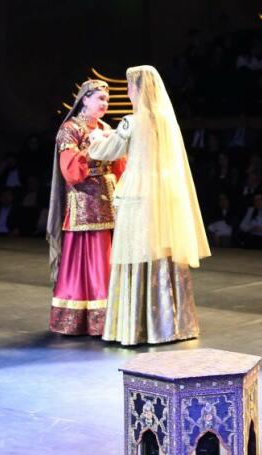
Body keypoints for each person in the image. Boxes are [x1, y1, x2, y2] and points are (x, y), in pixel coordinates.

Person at [88, 65, 210, 345]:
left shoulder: (132, 121)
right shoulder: (166, 121)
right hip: (164, 193)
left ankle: (138, 325)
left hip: (139, 194)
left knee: (137, 251)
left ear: (138, 89)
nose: (128, 91)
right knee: (162, 253)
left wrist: (95, 138)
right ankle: (171, 323)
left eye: (130, 86)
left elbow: (108, 151)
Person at [45, 80, 125, 336]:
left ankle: (109, 318)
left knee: (107, 258)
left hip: (109, 201)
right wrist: (94, 148)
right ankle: (81, 319)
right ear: (85, 99)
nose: (105, 103)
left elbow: (119, 165)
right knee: (86, 260)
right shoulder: (70, 129)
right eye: (100, 98)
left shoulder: (106, 128)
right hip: (84, 205)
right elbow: (71, 171)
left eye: (107, 100)